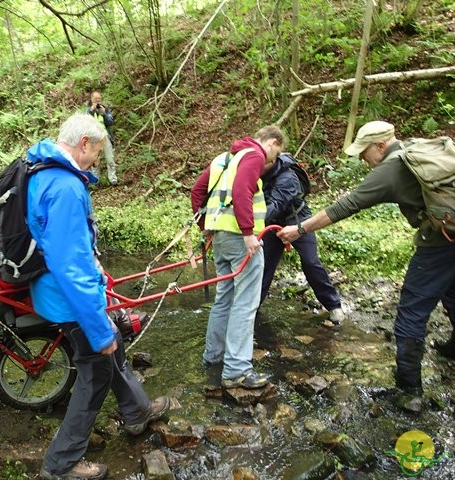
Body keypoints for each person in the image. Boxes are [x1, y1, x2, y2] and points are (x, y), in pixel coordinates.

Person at [28, 113, 169, 480]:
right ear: (84, 143)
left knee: (113, 346)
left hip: (55, 289)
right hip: (65, 297)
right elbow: (69, 267)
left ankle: (137, 411)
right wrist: (98, 328)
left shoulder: (42, 171)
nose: (97, 163)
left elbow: (65, 251)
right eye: (97, 153)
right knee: (96, 368)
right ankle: (61, 464)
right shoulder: (66, 187)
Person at [278, 121, 455, 399]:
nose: (363, 159)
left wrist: (300, 228)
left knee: (411, 311)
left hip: (439, 243)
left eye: (364, 152)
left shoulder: (390, 169)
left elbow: (345, 206)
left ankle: (409, 392)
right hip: (450, 236)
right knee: (452, 289)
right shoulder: (416, 150)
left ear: (381, 145)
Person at [191, 125, 286, 389]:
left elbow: (197, 193)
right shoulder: (254, 155)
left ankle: (214, 358)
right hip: (241, 241)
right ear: (270, 141)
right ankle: (237, 371)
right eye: (274, 154)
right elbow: (241, 190)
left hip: (221, 237)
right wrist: (247, 233)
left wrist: (206, 229)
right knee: (246, 304)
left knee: (225, 299)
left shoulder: (224, 158)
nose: (271, 162)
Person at [261, 152, 345, 325]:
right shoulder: (259, 172)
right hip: (273, 223)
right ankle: (251, 307)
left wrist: (247, 223)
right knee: (264, 266)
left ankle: (334, 306)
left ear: (271, 161)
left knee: (310, 262)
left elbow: (275, 204)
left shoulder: (287, 177)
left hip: (298, 220)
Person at [86, 90, 118, 185]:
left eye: (99, 99)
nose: (97, 101)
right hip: (94, 139)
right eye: (95, 99)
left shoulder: (105, 109)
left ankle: (113, 179)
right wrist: (92, 111)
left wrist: (104, 114)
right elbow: (86, 123)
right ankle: (95, 181)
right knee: (95, 160)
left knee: (110, 158)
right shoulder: (88, 111)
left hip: (105, 136)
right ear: (92, 100)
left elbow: (111, 122)